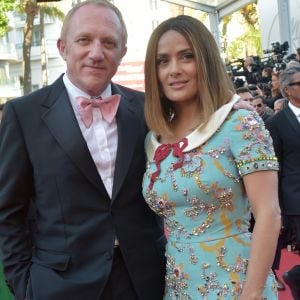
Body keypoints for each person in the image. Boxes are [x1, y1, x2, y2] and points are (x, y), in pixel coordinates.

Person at [0, 1, 167, 300]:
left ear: (122, 52)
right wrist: (24, 284)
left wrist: (231, 107)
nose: (96, 53)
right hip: (60, 285)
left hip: (144, 280)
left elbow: (197, 122)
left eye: (108, 42)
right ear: (63, 47)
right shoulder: (22, 115)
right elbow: (8, 211)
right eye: (84, 40)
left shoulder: (146, 108)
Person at [142, 15, 281, 299]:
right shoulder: (153, 139)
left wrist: (252, 293)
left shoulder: (240, 123)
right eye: (163, 61)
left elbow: (268, 214)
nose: (174, 70)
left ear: (205, 61)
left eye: (186, 57)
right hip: (178, 286)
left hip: (237, 284)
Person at [266, 64, 300, 300]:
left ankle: (295, 277)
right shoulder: (277, 123)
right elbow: (274, 169)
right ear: (288, 90)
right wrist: (277, 210)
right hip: (295, 199)